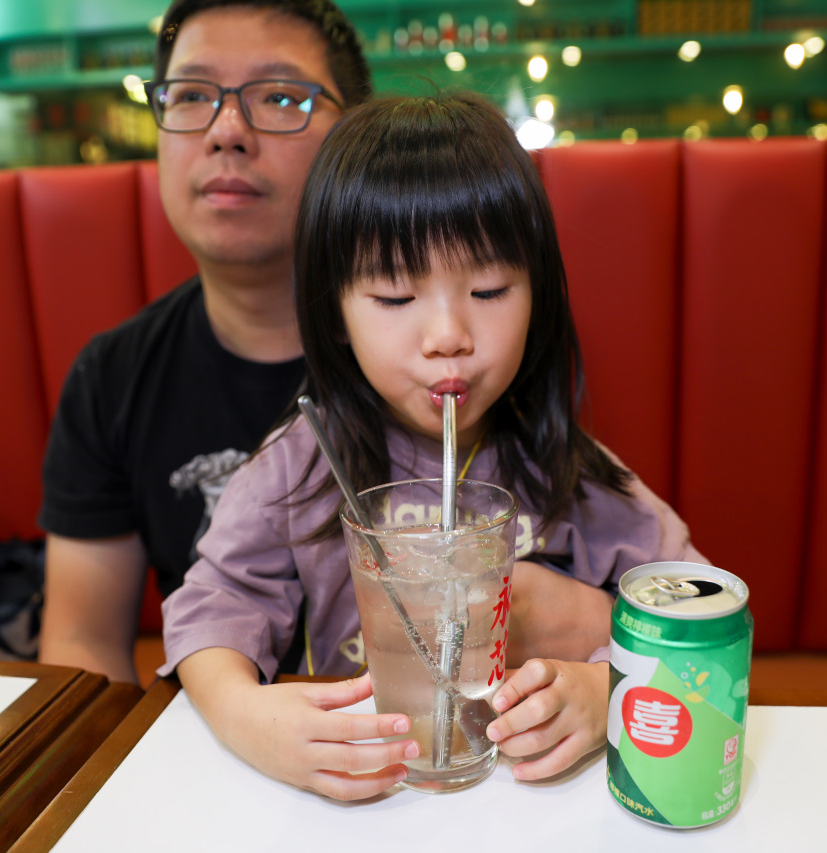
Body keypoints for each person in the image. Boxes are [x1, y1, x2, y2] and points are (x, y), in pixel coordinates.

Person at [161, 92, 708, 801]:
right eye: (393, 297)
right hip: (362, 798)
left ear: (537, 293)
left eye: (488, 287)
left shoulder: (559, 465)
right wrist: (244, 714)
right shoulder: (306, 460)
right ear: (334, 312)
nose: (447, 333)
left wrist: (607, 687)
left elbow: (694, 614)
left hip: (522, 800)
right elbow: (212, 603)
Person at [36, 0, 371, 683]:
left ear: (356, 138)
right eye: (191, 95)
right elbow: (84, 647)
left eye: (279, 97)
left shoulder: (452, 350)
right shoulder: (113, 376)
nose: (227, 131)